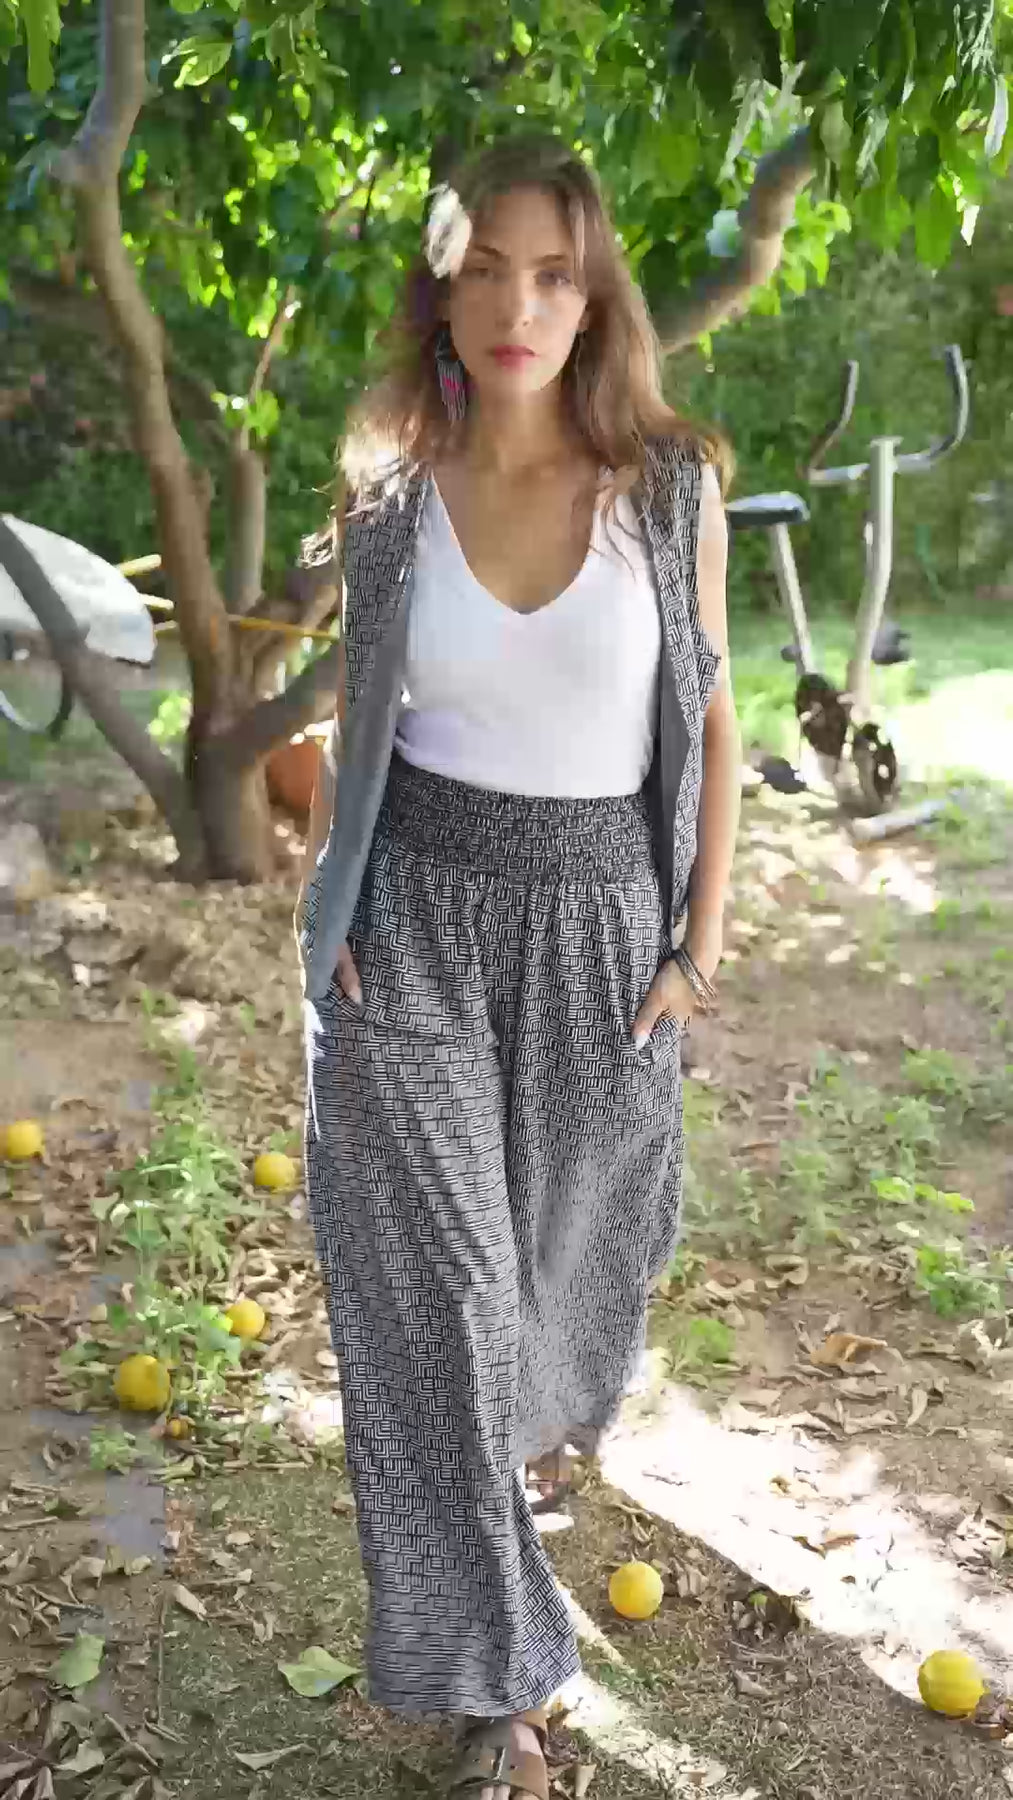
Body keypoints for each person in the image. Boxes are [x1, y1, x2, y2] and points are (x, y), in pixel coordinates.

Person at [297, 133, 739, 1800]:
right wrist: (327, 924)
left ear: (594, 296)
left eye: (552, 273)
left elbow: (710, 722)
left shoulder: (668, 489)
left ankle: (530, 1469)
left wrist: (695, 948)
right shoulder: (388, 498)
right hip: (409, 924)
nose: (515, 305)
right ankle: (507, 1689)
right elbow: (361, 734)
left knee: (559, 1291)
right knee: (442, 1309)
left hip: (601, 933)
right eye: (481, 268)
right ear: (439, 288)